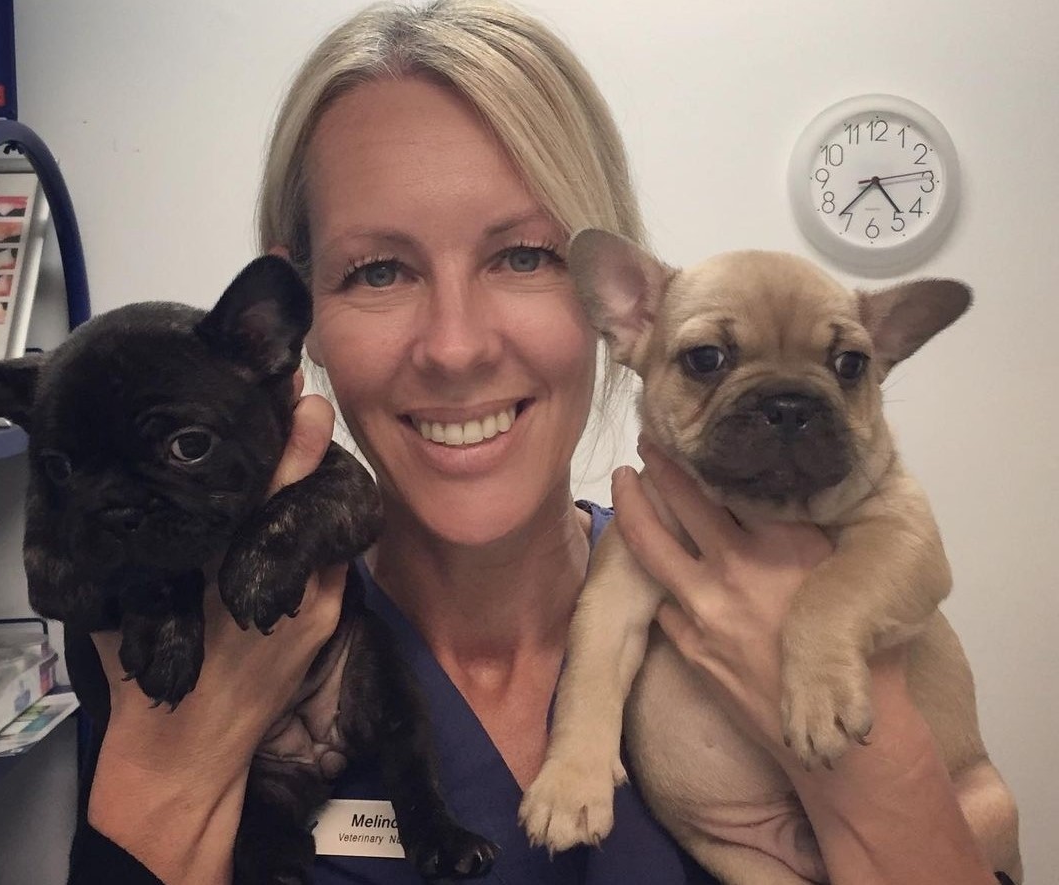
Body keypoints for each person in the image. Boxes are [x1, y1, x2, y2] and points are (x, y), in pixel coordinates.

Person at [66, 1, 1018, 883]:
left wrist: (878, 775)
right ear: (288, 317)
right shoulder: (197, 633)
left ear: (616, 305)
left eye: (524, 257)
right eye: (379, 269)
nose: (455, 346)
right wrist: (173, 770)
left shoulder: (792, 596)